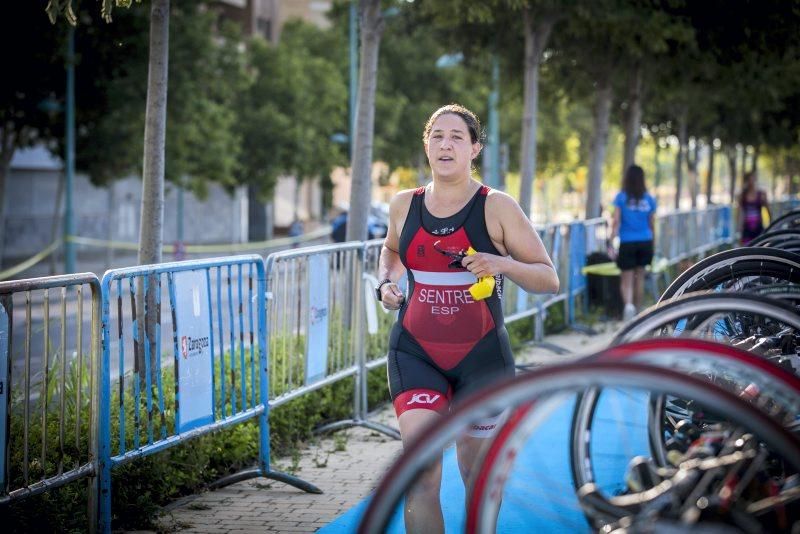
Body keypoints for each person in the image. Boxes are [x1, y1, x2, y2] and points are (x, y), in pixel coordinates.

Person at [375, 104, 559, 533]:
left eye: (457, 137)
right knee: (420, 471)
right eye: (437, 135)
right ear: (426, 144)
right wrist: (385, 284)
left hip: (482, 358)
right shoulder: (404, 205)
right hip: (415, 352)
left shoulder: (497, 207)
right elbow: (391, 251)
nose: (445, 144)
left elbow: (548, 279)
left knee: (475, 475)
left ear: (474, 147)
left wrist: (503, 264)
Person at [610, 164, 657, 321]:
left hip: (627, 242)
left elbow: (616, 221)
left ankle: (628, 306)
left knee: (627, 279)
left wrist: (610, 241)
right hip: (645, 241)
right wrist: (653, 243)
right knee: (640, 277)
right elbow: (652, 224)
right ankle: (638, 310)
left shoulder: (621, 197)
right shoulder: (649, 198)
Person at [738, 171, 771, 245]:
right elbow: (740, 212)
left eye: (752, 179)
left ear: (755, 180)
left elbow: (768, 210)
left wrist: (771, 225)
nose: (751, 182)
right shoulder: (742, 195)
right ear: (745, 181)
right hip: (746, 228)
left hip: (758, 228)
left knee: (759, 249)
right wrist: (739, 230)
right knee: (746, 251)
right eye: (748, 180)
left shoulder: (761, 194)